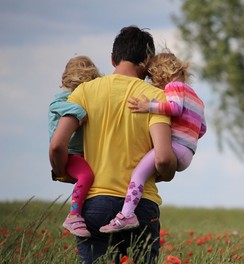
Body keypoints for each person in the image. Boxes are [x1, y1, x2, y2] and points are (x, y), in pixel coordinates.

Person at [49, 25, 177, 264]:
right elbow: (163, 159)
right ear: (147, 61)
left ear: (112, 58)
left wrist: (61, 171)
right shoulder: (155, 98)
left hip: (95, 203)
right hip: (141, 206)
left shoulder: (83, 92)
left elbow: (57, 145)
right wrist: (166, 174)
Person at [100, 50, 207, 233]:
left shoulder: (174, 87)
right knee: (147, 175)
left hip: (175, 147)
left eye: (153, 77)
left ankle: (126, 215)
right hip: (188, 152)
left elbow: (174, 108)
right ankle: (132, 204)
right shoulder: (197, 98)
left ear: (161, 73)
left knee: (138, 174)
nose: (153, 83)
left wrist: (147, 106)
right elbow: (202, 129)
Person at [48, 55, 101, 237]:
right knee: (86, 175)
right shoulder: (63, 99)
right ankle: (73, 215)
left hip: (78, 153)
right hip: (69, 154)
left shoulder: (72, 97)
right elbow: (57, 106)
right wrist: (80, 111)